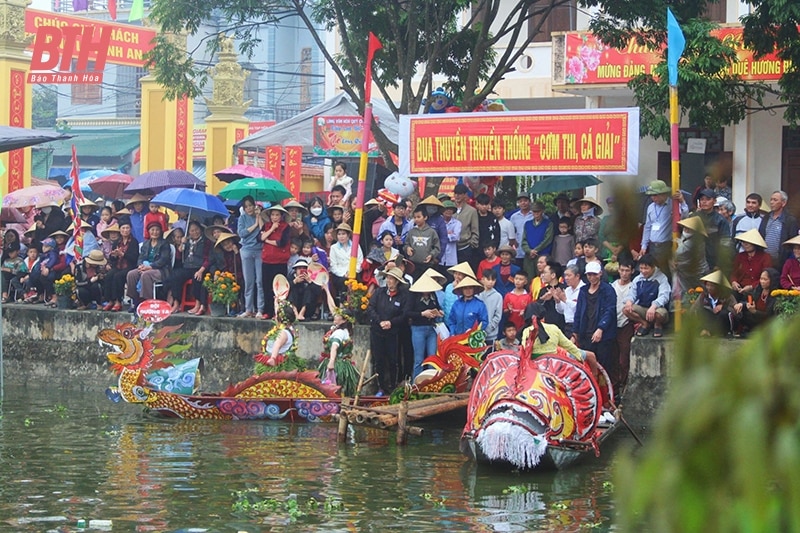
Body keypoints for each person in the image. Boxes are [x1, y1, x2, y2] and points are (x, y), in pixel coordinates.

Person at [521, 302, 601, 379]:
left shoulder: (526, 331)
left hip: (535, 366)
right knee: (591, 355)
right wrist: (579, 358)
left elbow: (524, 351)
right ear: (543, 316)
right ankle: (594, 380)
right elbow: (569, 346)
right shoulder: (553, 328)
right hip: (555, 365)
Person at [367, 267, 410, 395]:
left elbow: (404, 314)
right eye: (388, 278)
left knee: (393, 360)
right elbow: (370, 308)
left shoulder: (402, 296)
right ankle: (381, 387)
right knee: (379, 360)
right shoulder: (379, 292)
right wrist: (379, 321)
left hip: (393, 332)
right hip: (377, 331)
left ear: (397, 281)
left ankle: (393, 386)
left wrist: (391, 323)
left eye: (391, 279)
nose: (389, 281)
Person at [572, 261, 617, 377]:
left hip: (603, 336)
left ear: (600, 274)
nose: (592, 277)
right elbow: (578, 312)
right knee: (586, 366)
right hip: (585, 333)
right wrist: (575, 332)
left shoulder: (608, 290)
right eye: (589, 275)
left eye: (594, 274)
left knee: (604, 366)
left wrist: (601, 328)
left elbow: (610, 310)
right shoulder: (583, 291)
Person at [640, 179, 689, 276]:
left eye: (655, 195)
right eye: (652, 195)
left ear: (663, 194)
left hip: (666, 245)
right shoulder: (650, 207)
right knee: (653, 272)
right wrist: (644, 245)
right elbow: (648, 227)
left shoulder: (673, 204)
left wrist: (682, 202)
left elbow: (684, 216)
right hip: (653, 246)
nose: (653, 198)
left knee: (667, 272)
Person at [318, 284, 358, 395]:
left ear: (344, 320)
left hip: (336, 364)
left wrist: (331, 363)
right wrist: (327, 290)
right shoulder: (342, 328)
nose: (335, 315)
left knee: (334, 389)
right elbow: (332, 306)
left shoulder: (339, 333)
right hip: (341, 362)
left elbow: (334, 348)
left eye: (338, 315)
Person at [164, 220, 210, 314]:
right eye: (192, 231)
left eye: (196, 230)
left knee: (197, 277)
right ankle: (176, 303)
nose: (195, 232)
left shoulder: (205, 242)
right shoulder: (187, 242)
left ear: (200, 230)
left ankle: (198, 304)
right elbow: (178, 257)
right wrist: (181, 246)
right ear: (188, 232)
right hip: (187, 267)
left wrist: (201, 270)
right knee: (175, 275)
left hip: (200, 267)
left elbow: (208, 258)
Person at [126, 221, 172, 312]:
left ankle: (147, 301)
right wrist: (140, 266)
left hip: (160, 269)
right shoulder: (146, 244)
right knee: (131, 274)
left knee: (146, 275)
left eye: (157, 230)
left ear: (160, 231)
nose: (154, 232)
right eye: (152, 230)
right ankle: (135, 300)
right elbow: (140, 258)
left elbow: (163, 260)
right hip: (145, 267)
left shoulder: (164, 244)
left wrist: (150, 267)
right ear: (149, 231)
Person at [623, 253, 671, 338]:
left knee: (659, 314)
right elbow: (632, 293)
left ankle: (657, 325)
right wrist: (629, 301)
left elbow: (664, 296)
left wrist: (654, 306)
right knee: (626, 310)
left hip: (657, 309)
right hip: (643, 309)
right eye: (641, 268)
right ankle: (644, 324)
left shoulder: (662, 278)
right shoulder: (638, 279)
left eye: (646, 268)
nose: (643, 271)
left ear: (653, 267)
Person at [407, 274, 444, 379]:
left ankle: (431, 383)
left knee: (432, 358)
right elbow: (407, 312)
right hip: (418, 329)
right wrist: (422, 314)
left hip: (431, 329)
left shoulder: (433, 295)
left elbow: (437, 307)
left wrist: (438, 312)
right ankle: (416, 385)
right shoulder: (413, 296)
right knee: (419, 359)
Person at [689, 188, 732, 271]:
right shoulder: (693, 217)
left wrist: (720, 264)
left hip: (713, 260)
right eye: (702, 199)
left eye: (708, 199)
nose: (704, 202)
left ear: (714, 201)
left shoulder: (721, 220)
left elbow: (725, 244)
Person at [260, 205, 291, 318]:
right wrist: (272, 229)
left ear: (281, 216)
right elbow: (260, 238)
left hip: (280, 262)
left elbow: (281, 243)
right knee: (266, 287)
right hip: (267, 261)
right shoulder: (266, 225)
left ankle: (279, 312)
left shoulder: (286, 227)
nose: (274, 217)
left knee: (280, 289)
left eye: (277, 215)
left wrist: (267, 240)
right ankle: (268, 311)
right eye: (272, 214)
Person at [237, 196, 264, 318]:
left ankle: (260, 309)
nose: (249, 208)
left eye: (250, 205)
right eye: (246, 206)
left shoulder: (260, 216)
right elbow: (242, 233)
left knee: (259, 281)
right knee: (249, 281)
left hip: (259, 250)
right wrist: (254, 226)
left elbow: (263, 230)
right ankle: (248, 309)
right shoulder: (242, 218)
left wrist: (259, 217)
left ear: (254, 205)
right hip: (246, 250)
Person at [253, 299, 299, 371]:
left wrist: (273, 358)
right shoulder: (290, 329)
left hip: (276, 365)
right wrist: (276, 303)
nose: (275, 317)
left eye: (276, 315)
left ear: (279, 318)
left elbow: (277, 345)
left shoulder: (283, 333)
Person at [101, 222, 138, 312]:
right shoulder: (117, 242)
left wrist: (123, 254)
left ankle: (118, 301)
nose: (125, 230)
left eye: (127, 228)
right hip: (118, 266)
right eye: (123, 228)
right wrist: (114, 256)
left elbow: (134, 258)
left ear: (130, 229)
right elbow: (112, 259)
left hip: (129, 266)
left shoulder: (133, 242)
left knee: (118, 276)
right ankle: (110, 301)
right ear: (120, 230)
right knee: (109, 275)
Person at [731, 268, 779, 337]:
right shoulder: (758, 289)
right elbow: (750, 301)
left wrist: (755, 312)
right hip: (755, 319)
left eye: (765, 279)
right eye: (761, 279)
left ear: (772, 280)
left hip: (767, 322)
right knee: (741, 312)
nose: (762, 281)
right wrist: (741, 304)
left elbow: (769, 315)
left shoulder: (776, 294)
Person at [611, 258, 636, 394]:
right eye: (622, 270)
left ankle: (624, 385)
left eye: (627, 270)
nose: (624, 273)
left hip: (626, 324)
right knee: (614, 358)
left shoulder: (634, 286)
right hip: (613, 325)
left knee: (624, 359)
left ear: (632, 271)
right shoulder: (613, 286)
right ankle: (614, 389)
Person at [690, 270, 736, 337]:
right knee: (701, 311)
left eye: (712, 286)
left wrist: (723, 307)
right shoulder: (703, 296)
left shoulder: (728, 296)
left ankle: (718, 332)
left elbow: (737, 313)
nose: (709, 288)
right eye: (707, 285)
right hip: (709, 322)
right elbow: (693, 310)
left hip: (723, 324)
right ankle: (706, 331)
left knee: (724, 313)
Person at [759, 190, 799, 267]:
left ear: (783, 203)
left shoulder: (790, 220)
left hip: (781, 260)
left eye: (775, 200)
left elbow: (792, 242)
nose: (771, 202)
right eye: (771, 199)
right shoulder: (766, 217)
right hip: (765, 259)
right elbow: (761, 235)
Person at [731, 229, 772, 302]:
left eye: (748, 242)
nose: (745, 244)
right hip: (739, 288)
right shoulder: (740, 256)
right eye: (743, 242)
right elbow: (734, 273)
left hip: (757, 289)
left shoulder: (765, 257)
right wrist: (734, 282)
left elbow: (767, 277)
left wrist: (751, 286)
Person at [672, 216, 709, 295]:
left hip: (697, 273)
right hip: (685, 272)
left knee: (699, 293)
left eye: (689, 229)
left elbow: (679, 252)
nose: (686, 230)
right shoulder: (686, 237)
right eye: (685, 228)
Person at [329, 222, 363, 305]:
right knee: (343, 282)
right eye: (339, 234)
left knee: (355, 281)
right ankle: (343, 305)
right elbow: (333, 266)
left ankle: (355, 305)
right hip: (340, 275)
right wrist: (344, 274)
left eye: (343, 234)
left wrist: (352, 272)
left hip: (354, 273)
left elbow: (360, 262)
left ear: (348, 235)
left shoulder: (356, 246)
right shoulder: (334, 248)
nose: (341, 236)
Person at [404, 205, 440, 279]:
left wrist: (432, 255)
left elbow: (437, 248)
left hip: (427, 264)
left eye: (419, 217)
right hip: (413, 264)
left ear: (425, 217)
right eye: (415, 217)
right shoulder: (411, 232)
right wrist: (407, 248)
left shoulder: (431, 232)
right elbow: (406, 244)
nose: (416, 219)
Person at [521, 201, 554, 279]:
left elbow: (547, 239)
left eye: (538, 211)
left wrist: (536, 250)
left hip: (542, 255)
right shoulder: (527, 224)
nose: (536, 213)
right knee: (528, 278)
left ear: (542, 211)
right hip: (529, 256)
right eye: (534, 211)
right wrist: (529, 251)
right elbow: (523, 240)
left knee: (543, 277)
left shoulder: (548, 223)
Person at [452, 183, 480, 269]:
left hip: (465, 247)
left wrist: (472, 244)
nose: (457, 196)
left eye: (460, 194)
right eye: (456, 193)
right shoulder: (449, 209)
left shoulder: (472, 211)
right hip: (450, 247)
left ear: (465, 195)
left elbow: (475, 230)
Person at [536, 261, 566, 332]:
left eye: (545, 273)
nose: (542, 275)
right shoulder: (543, 290)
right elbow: (537, 308)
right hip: (547, 327)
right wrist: (543, 299)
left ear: (553, 275)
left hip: (563, 326)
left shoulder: (564, 289)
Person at [555, 264, 584, 338]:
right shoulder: (567, 290)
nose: (566, 278)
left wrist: (565, 300)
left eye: (569, 275)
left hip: (580, 325)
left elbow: (580, 309)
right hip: (567, 325)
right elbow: (561, 311)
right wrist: (558, 301)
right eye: (565, 275)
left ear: (577, 276)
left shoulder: (583, 289)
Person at [477, 269, 503, 345]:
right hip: (476, 333)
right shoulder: (477, 294)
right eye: (488, 279)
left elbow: (498, 316)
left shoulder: (498, 296)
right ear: (482, 280)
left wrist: (489, 328)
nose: (491, 282)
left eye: (493, 280)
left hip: (491, 334)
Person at [509, 191, 534, 267]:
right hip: (518, 251)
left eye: (525, 201)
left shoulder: (534, 215)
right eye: (521, 201)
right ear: (518, 203)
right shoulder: (514, 217)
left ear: (529, 202)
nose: (523, 203)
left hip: (532, 250)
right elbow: (511, 231)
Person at [441, 200, 462, 269]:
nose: (448, 211)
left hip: (451, 259)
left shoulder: (457, 223)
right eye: (446, 209)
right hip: (439, 258)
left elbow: (456, 237)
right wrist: (448, 233)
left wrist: (443, 234)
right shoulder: (438, 223)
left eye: (450, 209)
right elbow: (435, 236)